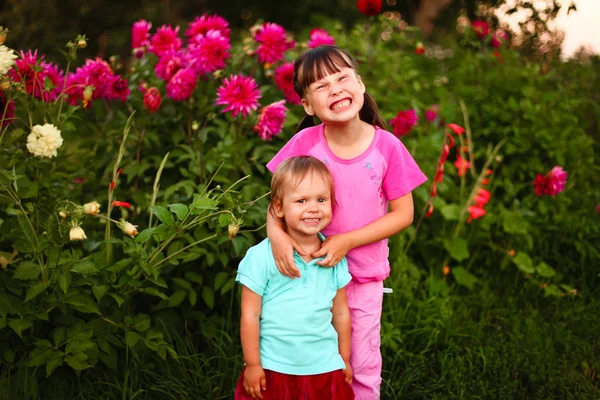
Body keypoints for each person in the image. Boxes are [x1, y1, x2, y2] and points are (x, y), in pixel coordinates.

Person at [265, 45, 427, 399]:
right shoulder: (304, 144)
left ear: (360, 83)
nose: (335, 89)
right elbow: (276, 203)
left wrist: (346, 241)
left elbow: (404, 214)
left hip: (363, 278)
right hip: (308, 275)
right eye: (321, 86)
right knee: (309, 360)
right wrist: (275, 236)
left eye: (342, 78)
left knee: (362, 364)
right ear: (307, 105)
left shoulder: (387, 147)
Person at [234, 156, 355, 400]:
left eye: (321, 200)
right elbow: (250, 314)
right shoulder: (261, 257)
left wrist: (343, 358)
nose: (313, 208)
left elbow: (341, 312)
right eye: (301, 201)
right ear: (279, 208)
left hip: (324, 365)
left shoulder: (333, 256)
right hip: (274, 366)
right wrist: (253, 364)